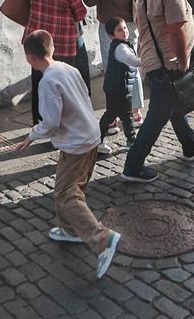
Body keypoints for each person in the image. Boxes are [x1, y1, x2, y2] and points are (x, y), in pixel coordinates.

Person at [16, 30, 122, 278]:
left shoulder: (47, 81)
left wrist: (31, 136)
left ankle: (102, 239)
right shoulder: (67, 68)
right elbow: (84, 97)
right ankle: (70, 230)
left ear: (30, 58)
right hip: (89, 135)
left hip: (76, 142)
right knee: (72, 187)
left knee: (65, 194)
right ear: (52, 48)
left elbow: (51, 121)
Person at [122, 0, 194, 182]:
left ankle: (190, 145)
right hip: (168, 63)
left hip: (155, 59)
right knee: (158, 114)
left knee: (173, 104)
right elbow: (176, 31)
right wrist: (182, 62)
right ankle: (133, 165)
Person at [25, 0, 89, 127]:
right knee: (62, 83)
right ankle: (62, 122)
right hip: (61, 41)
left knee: (39, 81)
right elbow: (80, 14)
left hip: (38, 40)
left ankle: (40, 121)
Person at [98, 18, 140, 150]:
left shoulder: (124, 44)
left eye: (125, 28)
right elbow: (132, 60)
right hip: (116, 89)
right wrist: (148, 59)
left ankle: (131, 141)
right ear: (112, 35)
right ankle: (97, 141)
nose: (124, 32)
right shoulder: (120, 47)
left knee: (126, 115)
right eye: (119, 30)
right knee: (111, 115)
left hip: (123, 88)